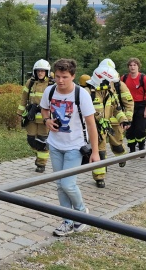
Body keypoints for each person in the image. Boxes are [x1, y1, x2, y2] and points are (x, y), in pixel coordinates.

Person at [40, 58, 99, 236]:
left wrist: (95, 152)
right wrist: (46, 120)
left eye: (64, 77)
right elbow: (43, 109)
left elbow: (91, 125)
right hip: (55, 144)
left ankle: (81, 213)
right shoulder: (50, 91)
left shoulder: (81, 94)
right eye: (57, 76)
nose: (60, 80)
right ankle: (67, 221)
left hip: (75, 145)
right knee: (60, 185)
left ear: (73, 76)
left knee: (68, 184)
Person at [84, 64, 133, 188]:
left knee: (117, 146)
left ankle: (120, 157)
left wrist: (124, 119)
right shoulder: (87, 92)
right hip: (94, 129)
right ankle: (99, 177)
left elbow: (117, 108)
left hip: (107, 125)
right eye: (110, 82)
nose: (112, 84)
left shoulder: (109, 92)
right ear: (102, 80)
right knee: (99, 152)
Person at [17, 59, 53, 173]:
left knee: (42, 141)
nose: (40, 73)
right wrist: (19, 113)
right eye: (38, 71)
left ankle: (41, 164)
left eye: (43, 71)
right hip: (31, 117)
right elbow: (24, 98)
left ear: (47, 72)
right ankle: (40, 154)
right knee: (31, 139)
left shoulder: (52, 84)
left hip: (45, 118)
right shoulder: (30, 82)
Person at [122, 58, 146, 155]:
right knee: (129, 128)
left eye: (134, 65)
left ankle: (141, 147)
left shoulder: (143, 78)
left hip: (141, 105)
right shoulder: (124, 78)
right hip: (128, 105)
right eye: (130, 65)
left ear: (138, 66)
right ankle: (131, 148)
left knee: (140, 128)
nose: (132, 67)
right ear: (128, 67)